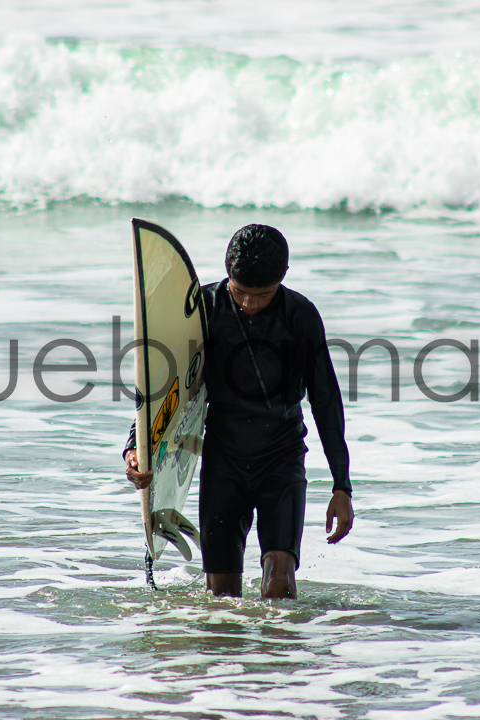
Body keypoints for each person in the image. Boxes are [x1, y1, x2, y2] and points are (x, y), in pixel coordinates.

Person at [124, 224, 353, 599]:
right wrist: (135, 447)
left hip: (281, 460)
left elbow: (326, 400)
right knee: (221, 596)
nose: (249, 303)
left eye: (262, 295)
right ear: (227, 274)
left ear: (282, 278)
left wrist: (341, 486)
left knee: (280, 582)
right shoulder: (203, 308)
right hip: (223, 462)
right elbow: (160, 387)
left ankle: (280, 640)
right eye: (240, 291)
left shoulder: (300, 316)